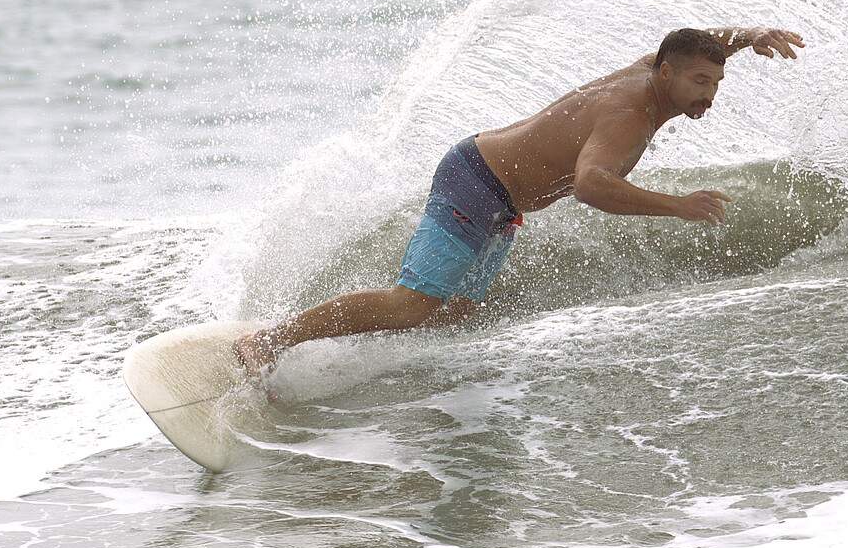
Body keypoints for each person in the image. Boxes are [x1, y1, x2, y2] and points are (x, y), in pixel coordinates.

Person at [233, 26, 805, 380]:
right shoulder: (629, 115)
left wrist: (747, 36)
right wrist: (675, 205)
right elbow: (590, 185)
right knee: (412, 304)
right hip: (475, 182)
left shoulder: (650, 71)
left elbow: (692, 41)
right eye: (699, 83)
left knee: (455, 311)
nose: (707, 95)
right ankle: (268, 340)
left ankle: (333, 352)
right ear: (666, 73)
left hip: (499, 199)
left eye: (715, 83)